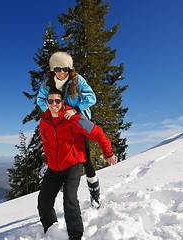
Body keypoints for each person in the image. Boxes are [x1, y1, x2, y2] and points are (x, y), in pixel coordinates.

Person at [38, 89, 117, 239]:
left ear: (62, 102)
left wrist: (108, 153)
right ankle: (51, 231)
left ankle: (76, 236)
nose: (53, 104)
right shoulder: (44, 121)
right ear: (46, 103)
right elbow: (46, 143)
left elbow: (97, 133)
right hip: (54, 167)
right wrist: (50, 160)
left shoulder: (73, 118)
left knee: (70, 199)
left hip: (73, 164)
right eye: (50, 101)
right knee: (44, 201)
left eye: (57, 101)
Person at [37, 51, 102, 208]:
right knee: (58, 150)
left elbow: (91, 97)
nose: (61, 72)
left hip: (79, 121)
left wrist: (76, 109)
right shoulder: (48, 83)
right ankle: (61, 179)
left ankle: (95, 194)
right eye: (58, 69)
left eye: (65, 69)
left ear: (70, 69)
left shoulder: (77, 80)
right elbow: (40, 100)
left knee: (86, 158)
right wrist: (53, 112)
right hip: (59, 123)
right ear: (53, 69)